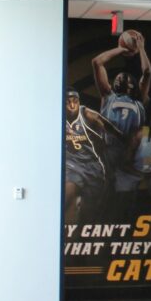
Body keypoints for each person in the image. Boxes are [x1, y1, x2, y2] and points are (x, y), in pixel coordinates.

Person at [63, 87, 120, 225]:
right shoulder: (58, 116)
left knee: (88, 216)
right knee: (68, 191)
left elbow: (108, 126)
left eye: (75, 101)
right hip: (73, 164)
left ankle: (82, 238)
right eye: (68, 102)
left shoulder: (87, 114)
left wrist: (115, 137)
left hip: (93, 166)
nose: (72, 105)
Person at [92, 32, 151, 141]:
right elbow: (97, 62)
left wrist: (141, 49)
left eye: (124, 78)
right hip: (110, 149)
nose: (119, 78)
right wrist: (121, 49)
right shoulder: (108, 96)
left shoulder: (139, 101)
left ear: (132, 86)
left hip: (130, 151)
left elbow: (147, 72)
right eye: (118, 78)